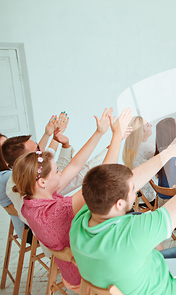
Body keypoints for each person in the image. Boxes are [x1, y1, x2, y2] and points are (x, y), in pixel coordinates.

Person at [70, 135, 176, 295]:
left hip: (132, 273)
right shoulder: (133, 232)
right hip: (165, 289)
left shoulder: (82, 217)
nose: (135, 191)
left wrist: (168, 154)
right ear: (119, 204)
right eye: (132, 190)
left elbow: (129, 180)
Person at [13, 108, 131, 292]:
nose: (61, 172)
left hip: (72, 271)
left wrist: (99, 133)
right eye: (57, 171)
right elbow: (102, 181)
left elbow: (75, 165)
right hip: (85, 276)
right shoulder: (55, 211)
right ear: (43, 181)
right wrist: (116, 137)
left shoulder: (32, 200)